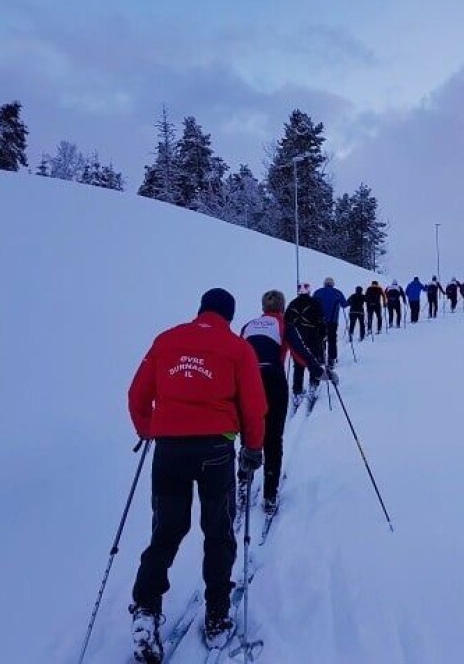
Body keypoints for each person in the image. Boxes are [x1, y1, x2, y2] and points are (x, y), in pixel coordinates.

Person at [127, 288, 267, 660]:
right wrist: (253, 448)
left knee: (167, 529)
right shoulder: (238, 349)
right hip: (215, 450)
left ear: (201, 309)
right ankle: (217, 615)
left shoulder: (166, 340)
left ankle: (145, 608)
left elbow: (137, 395)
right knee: (218, 530)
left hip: (169, 450)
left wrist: (148, 429)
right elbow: (254, 405)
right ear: (229, 316)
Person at [241, 290, 329, 514]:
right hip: (274, 382)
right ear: (282, 307)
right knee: (273, 439)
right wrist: (319, 371)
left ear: (263, 306)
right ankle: (270, 495)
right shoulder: (283, 325)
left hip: (248, 383)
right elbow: (301, 353)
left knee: (249, 433)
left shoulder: (248, 326)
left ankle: (243, 483)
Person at [285, 283, 325, 405]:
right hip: (313, 335)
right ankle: (313, 385)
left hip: (296, 336)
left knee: (298, 363)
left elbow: (286, 320)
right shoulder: (315, 303)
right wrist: (323, 335)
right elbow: (321, 320)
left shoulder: (292, 304)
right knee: (313, 360)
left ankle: (297, 391)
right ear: (309, 291)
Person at [312, 277, 348, 367]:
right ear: (332, 284)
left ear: (324, 284)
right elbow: (344, 305)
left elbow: (311, 305)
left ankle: (321, 358)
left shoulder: (317, 292)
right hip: (333, 321)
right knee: (332, 339)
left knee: (320, 338)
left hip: (319, 321)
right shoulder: (337, 292)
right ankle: (331, 359)